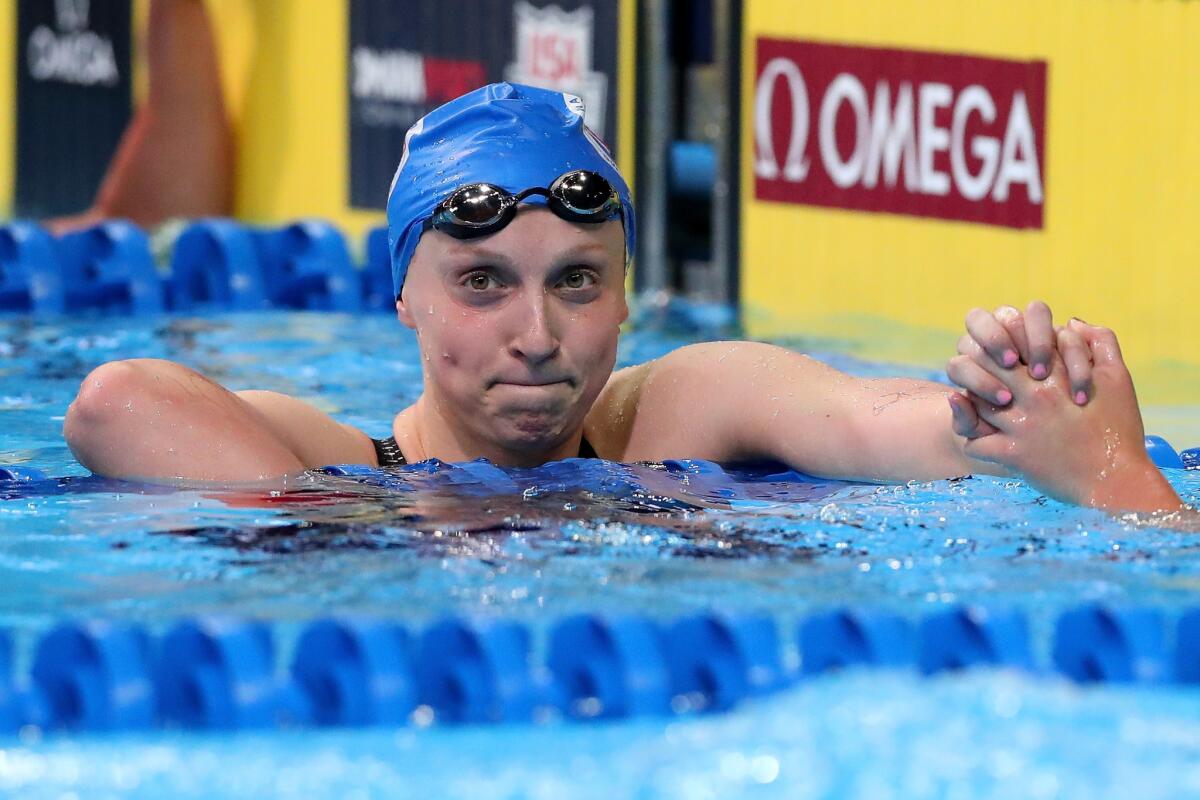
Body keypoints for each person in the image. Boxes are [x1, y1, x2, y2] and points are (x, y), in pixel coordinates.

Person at [62, 83, 1192, 522]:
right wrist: (381, 515)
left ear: (628, 291)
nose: (538, 335)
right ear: (400, 294)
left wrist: (1043, 427)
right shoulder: (349, 460)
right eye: (482, 283)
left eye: (578, 282)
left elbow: (887, 421)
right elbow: (114, 403)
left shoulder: (690, 404)